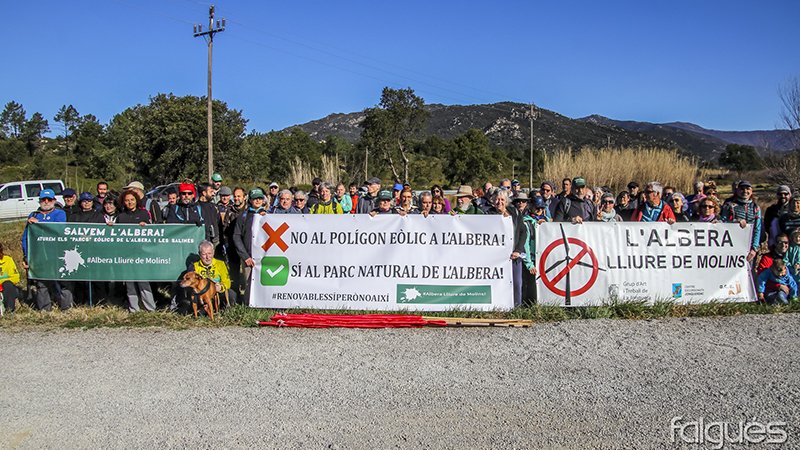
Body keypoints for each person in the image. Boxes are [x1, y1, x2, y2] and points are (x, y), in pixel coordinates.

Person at [21, 189, 73, 311]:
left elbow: (59, 230)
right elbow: (25, 237)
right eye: (43, 199)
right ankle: (45, 309)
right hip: (39, 255)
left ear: (54, 201)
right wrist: (26, 256)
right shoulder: (33, 215)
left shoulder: (60, 213)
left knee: (63, 282)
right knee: (41, 284)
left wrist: (39, 224)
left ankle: (66, 308)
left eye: (49, 199)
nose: (46, 202)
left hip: (58, 254)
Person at [116, 189, 156, 312]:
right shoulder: (121, 217)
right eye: (127, 200)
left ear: (136, 201)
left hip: (141, 253)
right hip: (127, 254)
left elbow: (153, 232)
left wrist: (147, 226)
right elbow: (116, 235)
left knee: (143, 281)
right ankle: (134, 309)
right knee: (129, 283)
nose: (129, 202)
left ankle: (150, 308)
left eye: (132, 200)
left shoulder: (144, 214)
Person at [233, 188, 268, 304]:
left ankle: (263, 305)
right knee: (248, 283)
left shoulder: (269, 215)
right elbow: (236, 236)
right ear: (250, 200)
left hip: (265, 257)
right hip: (248, 257)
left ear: (263, 200)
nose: (257, 201)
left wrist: (266, 217)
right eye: (255, 199)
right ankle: (248, 307)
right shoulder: (243, 216)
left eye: (260, 198)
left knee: (264, 282)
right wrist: (245, 256)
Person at [720, 180, 762, 262]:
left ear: (751, 191)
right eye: (742, 189)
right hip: (731, 244)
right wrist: (735, 221)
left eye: (747, 189)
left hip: (749, 247)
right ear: (737, 190)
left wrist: (754, 248)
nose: (745, 191)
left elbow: (757, 228)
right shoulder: (729, 205)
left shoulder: (755, 207)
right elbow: (723, 223)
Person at [193, 240, 236, 307]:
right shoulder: (194, 266)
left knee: (231, 294)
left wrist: (221, 287)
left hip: (218, 292)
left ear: (213, 253)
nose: (207, 257)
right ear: (199, 254)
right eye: (204, 254)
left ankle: (223, 310)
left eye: (209, 253)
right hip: (202, 295)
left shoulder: (220, 264)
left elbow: (227, 282)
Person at [0, 243, 21, 314]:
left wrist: (2, 282)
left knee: (8, 284)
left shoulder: (8, 260)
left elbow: (16, 277)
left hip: (6, 288)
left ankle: (9, 310)